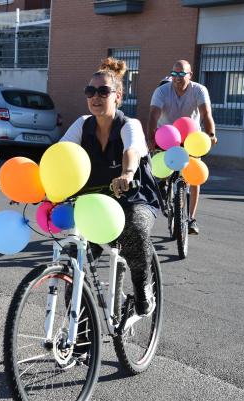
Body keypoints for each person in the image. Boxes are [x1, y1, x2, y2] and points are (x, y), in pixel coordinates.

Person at [60, 57, 161, 316]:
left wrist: (127, 173)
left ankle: (143, 289)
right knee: (74, 263)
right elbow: (62, 153)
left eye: (103, 91)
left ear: (117, 97)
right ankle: (80, 342)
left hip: (133, 198)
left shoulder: (129, 124)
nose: (96, 97)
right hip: (95, 205)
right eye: (90, 91)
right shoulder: (82, 125)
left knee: (135, 229)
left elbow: (132, 150)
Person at [147, 60, 217, 235]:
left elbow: (206, 114)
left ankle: (191, 219)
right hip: (166, 137)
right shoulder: (162, 91)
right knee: (159, 170)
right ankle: (163, 186)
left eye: (181, 74)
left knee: (194, 175)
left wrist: (211, 133)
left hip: (191, 137)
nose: (177, 78)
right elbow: (153, 116)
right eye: (174, 74)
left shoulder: (199, 90)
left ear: (190, 75)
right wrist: (150, 139)